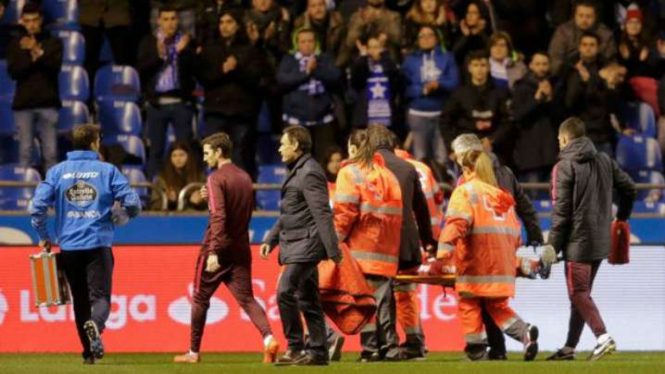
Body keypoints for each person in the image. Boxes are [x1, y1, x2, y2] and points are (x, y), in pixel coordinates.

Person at [30, 124, 141, 365]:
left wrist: (43, 235)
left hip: (69, 247)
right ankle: (96, 324)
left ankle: (89, 354)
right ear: (95, 143)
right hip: (97, 244)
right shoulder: (107, 170)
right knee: (99, 298)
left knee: (80, 300)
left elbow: (36, 207)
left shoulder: (57, 172)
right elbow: (133, 203)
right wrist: (121, 215)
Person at [174, 133, 280, 364]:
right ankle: (268, 338)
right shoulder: (244, 177)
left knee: (201, 299)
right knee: (248, 299)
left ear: (219, 152)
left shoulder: (215, 178)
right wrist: (209, 196)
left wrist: (213, 251)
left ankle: (193, 352)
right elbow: (240, 209)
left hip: (218, 247)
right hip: (241, 246)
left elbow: (219, 216)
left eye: (207, 153)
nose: (204, 159)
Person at [437, 147, 539, 362]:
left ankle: (476, 350)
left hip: (477, 260)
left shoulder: (465, 191)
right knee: (497, 306)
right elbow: (516, 235)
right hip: (502, 264)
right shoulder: (502, 195)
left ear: (466, 169)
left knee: (469, 303)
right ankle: (524, 332)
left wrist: (445, 247)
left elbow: (457, 222)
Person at [547, 118, 636, 361]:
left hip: (578, 242)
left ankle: (603, 337)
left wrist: (552, 248)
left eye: (559, 139)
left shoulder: (564, 166)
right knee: (581, 294)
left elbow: (561, 213)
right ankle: (569, 348)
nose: (558, 143)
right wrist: (622, 218)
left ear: (565, 139)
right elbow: (630, 189)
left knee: (578, 294)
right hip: (600, 241)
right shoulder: (605, 160)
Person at [260, 126, 342, 366]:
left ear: (296, 146)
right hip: (297, 243)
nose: (279, 148)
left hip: (307, 244)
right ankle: (318, 352)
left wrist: (332, 250)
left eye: (283, 143)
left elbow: (322, 213)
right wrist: (271, 239)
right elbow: (290, 213)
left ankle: (295, 347)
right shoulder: (299, 171)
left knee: (285, 291)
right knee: (309, 300)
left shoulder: (309, 172)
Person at [334, 129, 404, 362]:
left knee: (364, 303)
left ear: (353, 149)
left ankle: (371, 349)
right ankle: (390, 348)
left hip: (360, 249)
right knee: (384, 302)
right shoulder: (388, 175)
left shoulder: (349, 173)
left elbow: (344, 213)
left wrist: (334, 241)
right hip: (386, 249)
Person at [393, 138, 444, 359]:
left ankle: (414, 342)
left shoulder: (390, 168)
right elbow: (439, 199)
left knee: (401, 292)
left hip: (405, 240)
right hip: (429, 240)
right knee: (407, 291)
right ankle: (417, 341)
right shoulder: (423, 168)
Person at [197, 9, 263, 176]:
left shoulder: (249, 49)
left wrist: (237, 69)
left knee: (239, 157)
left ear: (238, 25)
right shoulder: (210, 49)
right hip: (216, 112)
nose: (225, 26)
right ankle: (212, 196)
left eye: (229, 22)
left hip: (241, 113)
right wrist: (223, 70)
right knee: (212, 156)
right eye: (222, 22)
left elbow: (255, 79)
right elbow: (203, 77)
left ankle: (238, 198)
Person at [137, 5, 196, 179]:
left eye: (173, 19)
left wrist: (185, 52)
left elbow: (197, 69)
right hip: (156, 105)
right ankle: (156, 195)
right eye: (165, 19)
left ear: (178, 21)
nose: (169, 23)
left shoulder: (186, 42)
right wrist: (162, 56)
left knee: (185, 150)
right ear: (158, 21)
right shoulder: (149, 42)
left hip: (181, 104)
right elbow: (141, 69)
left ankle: (184, 193)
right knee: (155, 151)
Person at [7, 3, 62, 172]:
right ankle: (25, 194)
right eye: (27, 20)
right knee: (25, 154)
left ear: (41, 20)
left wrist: (36, 50)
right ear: (22, 21)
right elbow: (14, 71)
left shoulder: (54, 42)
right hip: (24, 105)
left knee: (51, 154)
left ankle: (51, 194)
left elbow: (54, 67)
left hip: (48, 103)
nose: (31, 24)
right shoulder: (17, 44)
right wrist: (33, 57)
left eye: (35, 20)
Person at [276, 28, 341, 163]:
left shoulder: (324, 58)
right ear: (297, 44)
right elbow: (282, 80)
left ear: (315, 43)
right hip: (296, 122)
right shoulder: (289, 60)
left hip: (323, 120)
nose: (307, 44)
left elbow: (336, 77)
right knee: (296, 161)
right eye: (303, 41)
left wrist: (316, 69)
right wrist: (306, 72)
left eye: (310, 41)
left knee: (325, 160)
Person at [402, 25, 459, 169]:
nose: (426, 39)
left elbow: (455, 82)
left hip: (442, 113)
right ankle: (421, 190)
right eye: (422, 36)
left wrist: (439, 84)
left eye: (430, 35)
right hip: (418, 114)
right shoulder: (410, 60)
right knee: (419, 158)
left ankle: (444, 189)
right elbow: (404, 88)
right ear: (417, 40)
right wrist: (422, 90)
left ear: (437, 38)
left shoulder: (447, 57)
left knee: (442, 157)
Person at [440, 51, 512, 165]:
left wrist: (492, 140)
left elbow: (507, 122)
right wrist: (453, 148)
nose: (479, 69)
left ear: (488, 68)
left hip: (494, 150)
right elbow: (445, 122)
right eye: (475, 65)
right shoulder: (459, 94)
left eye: (483, 65)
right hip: (465, 150)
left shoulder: (499, 93)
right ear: (469, 68)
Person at [512, 52, 559, 186]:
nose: (542, 68)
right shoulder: (520, 87)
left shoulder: (556, 87)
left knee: (551, 202)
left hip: (550, 154)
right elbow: (517, 117)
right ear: (531, 66)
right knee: (531, 200)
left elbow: (561, 119)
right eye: (538, 64)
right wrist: (536, 100)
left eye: (545, 64)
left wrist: (550, 100)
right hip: (529, 156)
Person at [548, 0, 616, 75]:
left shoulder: (605, 34)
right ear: (575, 15)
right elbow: (555, 60)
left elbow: (611, 62)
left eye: (588, 16)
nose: (584, 20)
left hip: (598, 75)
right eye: (580, 15)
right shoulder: (563, 31)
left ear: (596, 17)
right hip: (568, 74)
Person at [350, 30, 401, 128]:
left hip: (386, 116)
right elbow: (356, 81)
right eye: (370, 47)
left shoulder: (388, 62)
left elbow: (396, 81)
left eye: (376, 47)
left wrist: (384, 55)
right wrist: (363, 57)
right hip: (366, 117)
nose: (373, 50)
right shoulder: (361, 63)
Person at [341, 0, 402, 67]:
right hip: (362, 64)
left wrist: (379, 21)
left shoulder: (393, 17)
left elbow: (398, 40)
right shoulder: (357, 16)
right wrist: (362, 23)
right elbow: (350, 42)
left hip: (387, 64)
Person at [149, 141, 206, 211]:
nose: (178, 159)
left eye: (181, 155)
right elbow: (153, 207)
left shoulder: (200, 176)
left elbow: (212, 204)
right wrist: (167, 200)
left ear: (189, 156)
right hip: (171, 219)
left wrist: (201, 201)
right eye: (174, 155)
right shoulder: (162, 178)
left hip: (195, 217)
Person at [294, 0, 347, 67]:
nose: (318, 9)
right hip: (308, 64)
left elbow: (344, 50)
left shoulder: (338, 20)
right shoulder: (300, 23)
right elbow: (296, 51)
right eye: (313, 6)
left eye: (321, 5)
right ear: (308, 9)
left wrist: (334, 67)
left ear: (326, 6)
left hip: (333, 64)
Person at [451, 0, 490, 67]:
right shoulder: (459, 32)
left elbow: (489, 51)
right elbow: (453, 55)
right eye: (468, 12)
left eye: (474, 13)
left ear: (481, 15)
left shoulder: (487, 34)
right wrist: (466, 37)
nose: (470, 16)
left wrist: (480, 32)